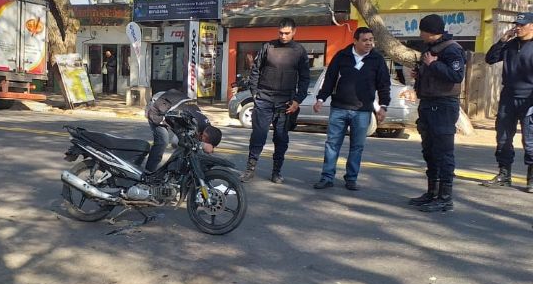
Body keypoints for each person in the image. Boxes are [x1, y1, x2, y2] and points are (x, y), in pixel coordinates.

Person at [312, 27, 391, 191]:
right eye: (365, 40)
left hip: (363, 111)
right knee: (332, 144)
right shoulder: (342, 56)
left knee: (357, 146)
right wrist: (321, 99)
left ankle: (351, 178)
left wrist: (383, 106)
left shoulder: (377, 59)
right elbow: (330, 79)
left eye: (371, 40)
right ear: (355, 41)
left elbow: (384, 84)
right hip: (339, 108)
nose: (369, 43)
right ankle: (327, 177)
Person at [238, 17, 310, 183]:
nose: (283, 36)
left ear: (294, 32)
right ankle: (250, 169)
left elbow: (305, 78)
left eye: (287, 33)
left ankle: (276, 172)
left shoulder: (299, 51)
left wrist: (297, 100)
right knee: (258, 136)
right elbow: (255, 70)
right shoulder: (268, 47)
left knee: (281, 138)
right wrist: (255, 93)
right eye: (281, 33)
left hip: (286, 102)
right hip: (264, 99)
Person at [408, 14, 467, 212]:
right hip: (428, 104)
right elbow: (432, 75)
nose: (420, 34)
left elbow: (456, 75)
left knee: (443, 153)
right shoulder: (430, 48)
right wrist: (420, 74)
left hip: (443, 106)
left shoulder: (452, 49)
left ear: (431, 31)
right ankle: (431, 192)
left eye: (422, 30)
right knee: (430, 151)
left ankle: (445, 198)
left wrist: (434, 65)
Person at [482, 12, 533, 192]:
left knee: (530, 140)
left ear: (532, 26)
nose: (517, 27)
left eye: (522, 24)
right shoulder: (510, 44)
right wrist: (502, 40)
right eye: (516, 24)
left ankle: (531, 179)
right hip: (508, 97)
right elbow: (490, 59)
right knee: (503, 138)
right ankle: (504, 175)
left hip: (529, 99)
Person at [144, 89, 222, 173]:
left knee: (187, 144)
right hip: (157, 107)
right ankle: (148, 172)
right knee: (162, 141)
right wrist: (202, 145)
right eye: (203, 140)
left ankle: (173, 171)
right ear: (204, 136)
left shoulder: (206, 126)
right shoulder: (193, 123)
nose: (200, 140)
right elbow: (176, 142)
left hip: (172, 105)